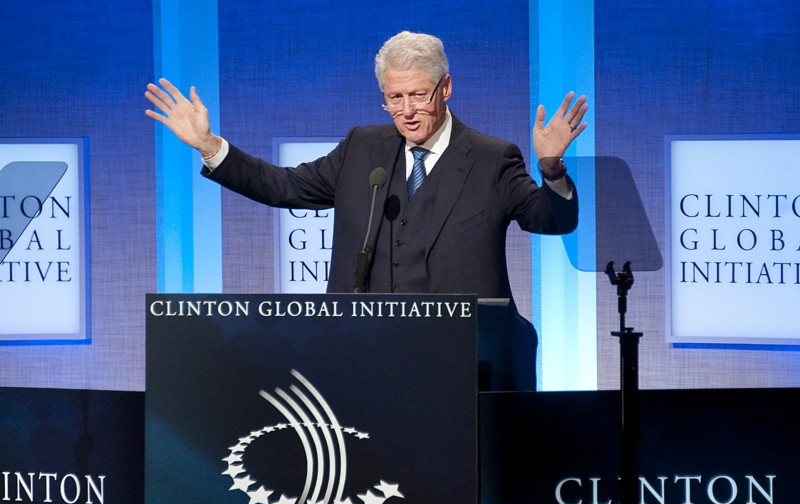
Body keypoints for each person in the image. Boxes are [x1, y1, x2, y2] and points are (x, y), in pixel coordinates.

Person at [145, 30, 587, 300]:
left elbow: (551, 220)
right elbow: (284, 186)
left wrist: (551, 167)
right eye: (395, 98)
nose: (407, 111)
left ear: (446, 88)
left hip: (460, 353)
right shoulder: (363, 148)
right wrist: (209, 145)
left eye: (418, 95)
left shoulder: (492, 157)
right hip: (363, 347)